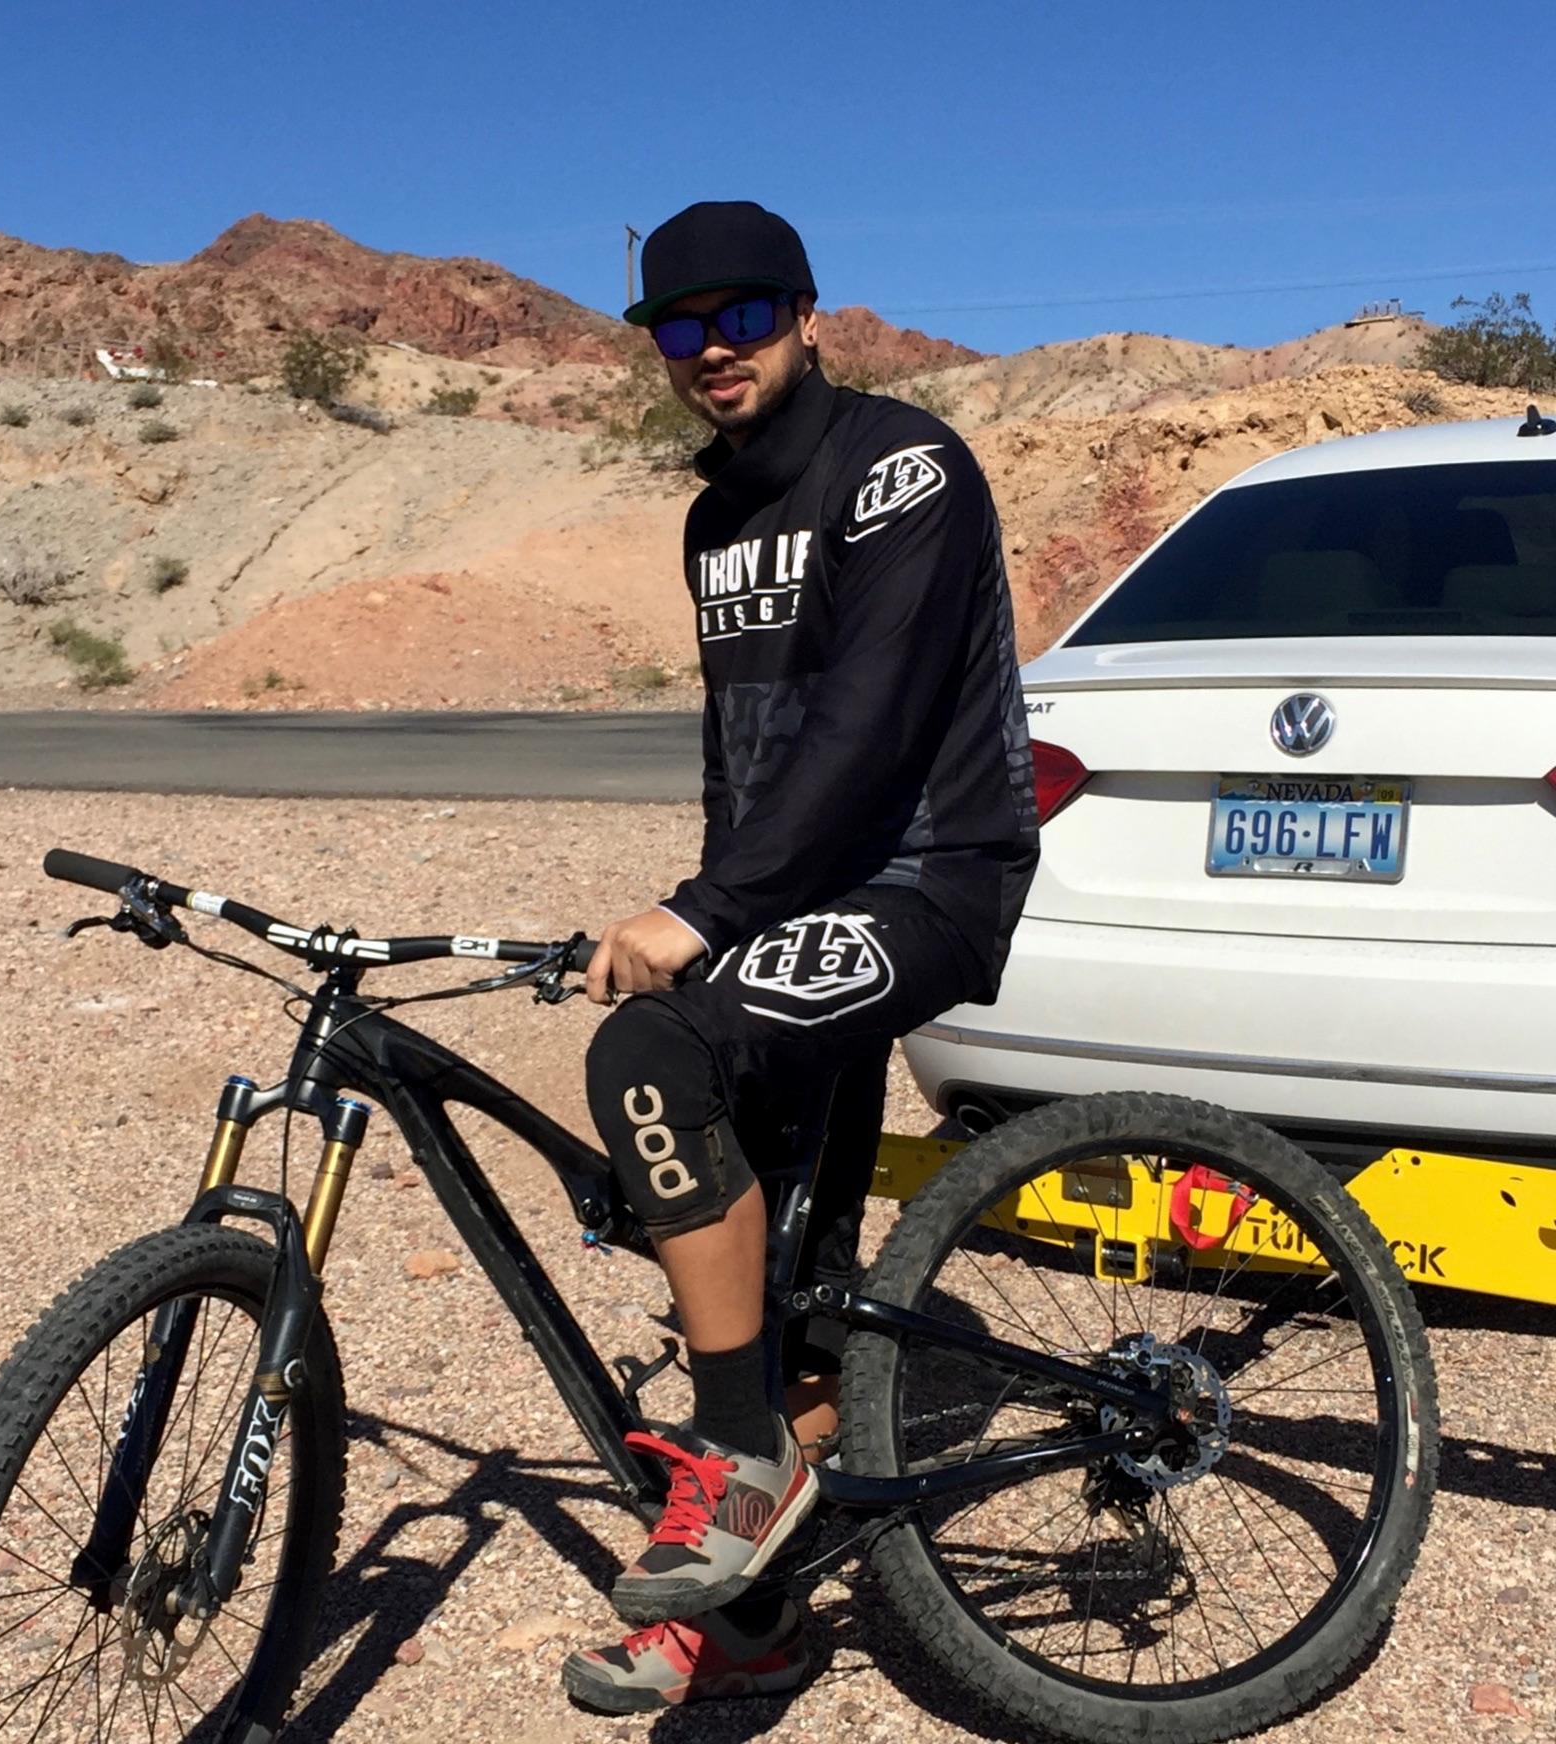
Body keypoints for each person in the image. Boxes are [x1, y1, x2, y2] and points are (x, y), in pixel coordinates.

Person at [561, 200, 1039, 1712]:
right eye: (679, 327)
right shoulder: (713, 519)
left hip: (925, 877)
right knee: (767, 1257)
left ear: (807, 313)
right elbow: (748, 759)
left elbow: (871, 725)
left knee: (649, 1058)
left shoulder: (902, 465)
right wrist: (716, 908)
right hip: (795, 897)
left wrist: (701, 917)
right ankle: (749, 1614)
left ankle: (745, 1465)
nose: (713, 350)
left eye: (743, 315)